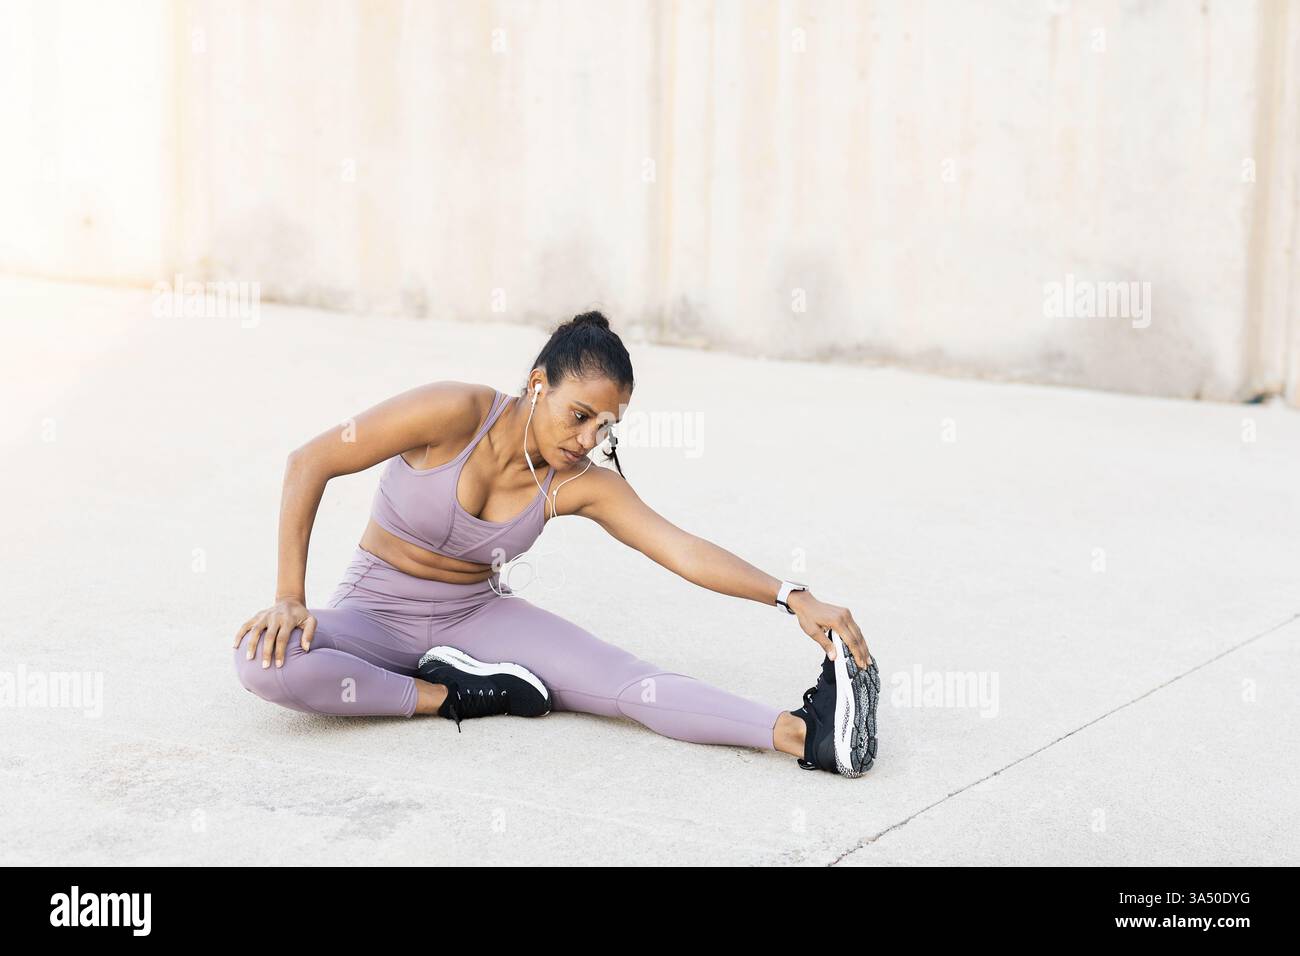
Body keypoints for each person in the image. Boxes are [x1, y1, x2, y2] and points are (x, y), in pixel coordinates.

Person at [231, 311, 879, 775]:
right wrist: (290, 597)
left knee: (629, 686)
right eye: (579, 416)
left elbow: (681, 549)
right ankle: (453, 694)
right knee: (264, 662)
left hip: (476, 616)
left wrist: (791, 596)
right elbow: (309, 461)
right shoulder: (453, 411)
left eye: (606, 426)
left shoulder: (578, 483)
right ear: (539, 384)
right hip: (373, 611)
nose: (588, 438)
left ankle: (805, 735)